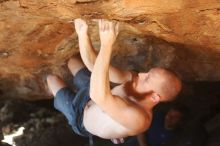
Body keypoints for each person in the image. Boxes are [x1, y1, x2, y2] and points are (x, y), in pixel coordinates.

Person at [46, 19, 182, 143]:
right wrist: (83, 34)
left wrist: (107, 45)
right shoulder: (134, 80)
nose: (140, 74)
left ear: (154, 97)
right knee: (73, 61)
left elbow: (99, 96)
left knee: (52, 79)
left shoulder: (139, 120)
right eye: (147, 72)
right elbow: (94, 65)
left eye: (147, 78)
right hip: (92, 92)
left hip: (81, 118)